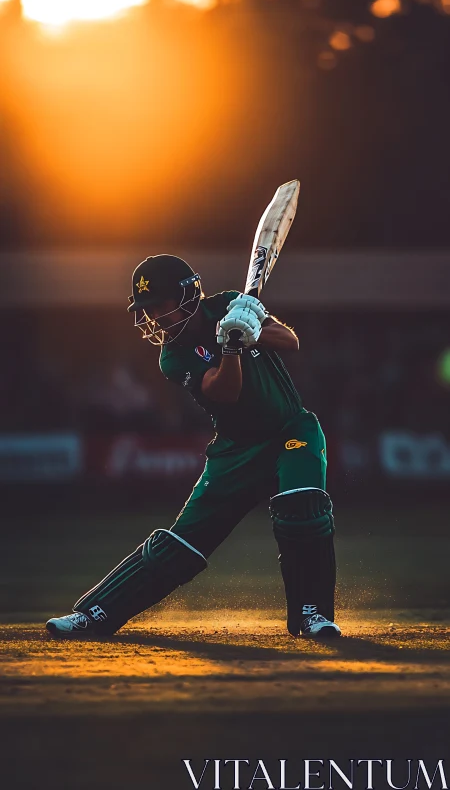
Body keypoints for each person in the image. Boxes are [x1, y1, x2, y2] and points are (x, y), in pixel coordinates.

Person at [46, 255, 340, 639]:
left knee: (302, 503)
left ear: (187, 295)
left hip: (291, 431)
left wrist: (250, 328)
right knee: (180, 545)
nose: (152, 317)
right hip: (236, 450)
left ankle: (311, 614)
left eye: (158, 306)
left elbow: (290, 340)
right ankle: (95, 614)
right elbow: (225, 391)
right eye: (145, 309)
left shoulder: (229, 303)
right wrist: (230, 347)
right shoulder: (172, 356)